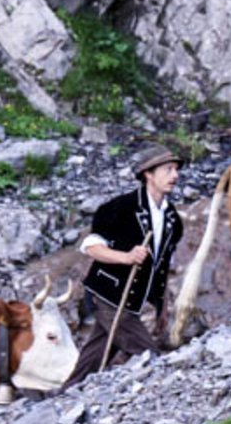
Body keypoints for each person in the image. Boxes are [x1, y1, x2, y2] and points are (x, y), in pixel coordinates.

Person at [64, 144, 185, 388]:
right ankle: (165, 390)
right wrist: (126, 257)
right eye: (168, 169)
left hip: (133, 301)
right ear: (148, 174)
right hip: (108, 295)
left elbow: (161, 268)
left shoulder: (173, 219)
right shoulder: (120, 208)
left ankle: (64, 396)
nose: (175, 176)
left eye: (176, 170)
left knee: (94, 356)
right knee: (148, 355)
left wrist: (162, 305)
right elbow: (91, 247)